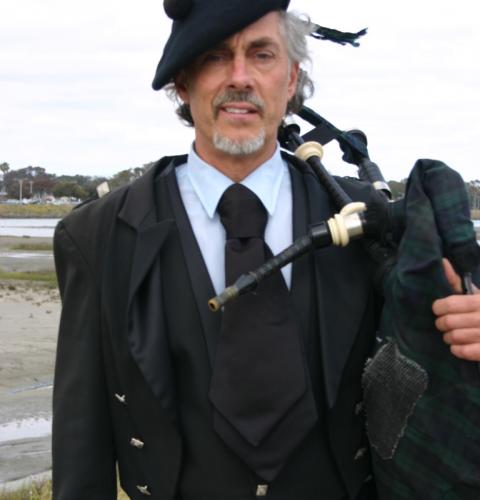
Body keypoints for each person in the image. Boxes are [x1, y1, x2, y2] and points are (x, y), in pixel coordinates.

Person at [52, 1, 480, 499]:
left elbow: (438, 367)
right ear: (183, 82)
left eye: (262, 55)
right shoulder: (98, 236)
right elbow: (81, 447)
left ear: (293, 77)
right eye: (215, 57)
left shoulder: (373, 219)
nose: (240, 77)